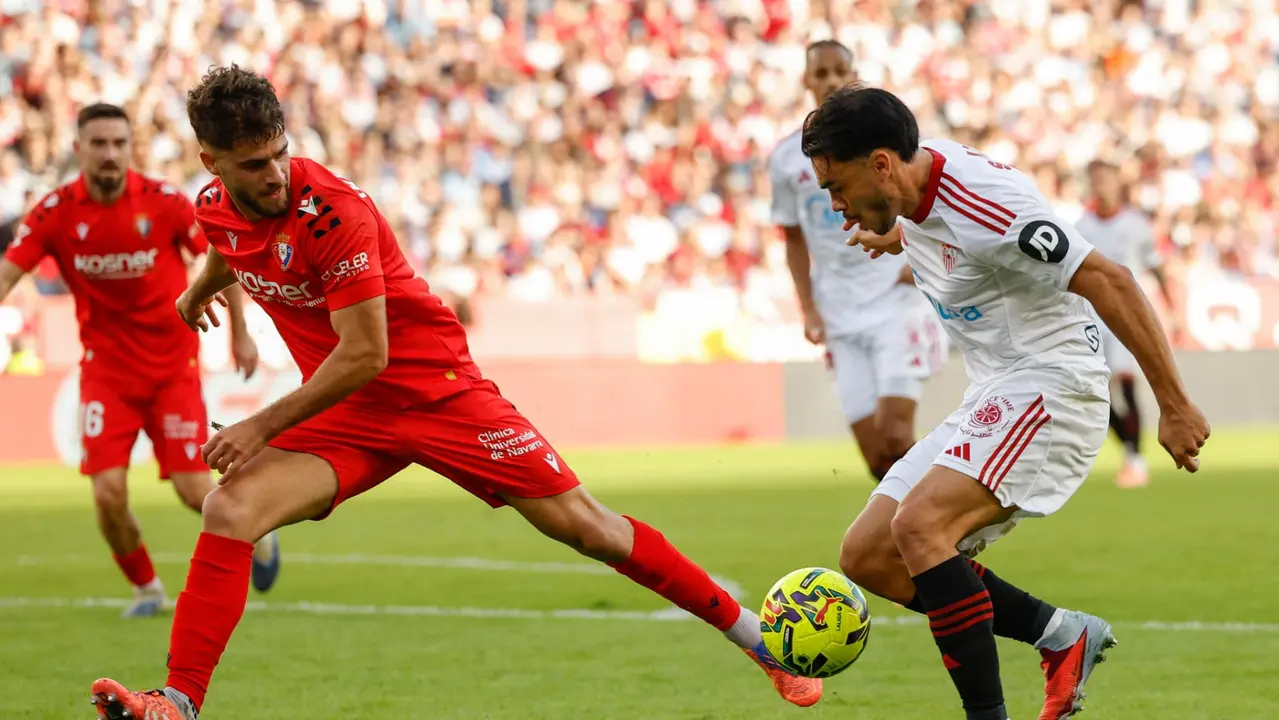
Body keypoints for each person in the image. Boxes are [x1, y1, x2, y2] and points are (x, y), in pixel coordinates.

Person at [88, 65, 821, 720]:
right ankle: (177, 703)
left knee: (586, 528)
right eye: (255, 165)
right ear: (211, 161)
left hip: (434, 394)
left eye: (281, 151)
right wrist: (198, 291)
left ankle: (752, 637)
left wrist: (257, 426)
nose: (276, 173)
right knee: (231, 507)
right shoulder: (215, 201)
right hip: (349, 414)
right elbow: (233, 242)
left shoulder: (331, 211)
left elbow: (366, 354)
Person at [800, 86, 1210, 720]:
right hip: (997, 388)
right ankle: (1062, 634)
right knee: (869, 555)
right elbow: (932, 217)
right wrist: (899, 234)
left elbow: (1110, 279)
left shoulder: (988, 208)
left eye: (837, 186)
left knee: (920, 527)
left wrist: (1173, 403)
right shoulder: (914, 182)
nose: (835, 206)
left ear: (880, 163)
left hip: (1055, 384)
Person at [0, 104, 281, 618]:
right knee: (107, 494)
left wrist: (241, 333)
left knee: (194, 490)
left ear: (130, 149)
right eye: (99, 144)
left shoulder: (164, 202)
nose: (110, 154)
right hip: (106, 373)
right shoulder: (54, 212)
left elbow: (224, 255)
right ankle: (148, 589)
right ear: (79, 148)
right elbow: (7, 275)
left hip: (172, 367)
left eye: (118, 144)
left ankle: (261, 530)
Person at [771, 40, 946, 485]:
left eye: (838, 71)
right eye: (821, 72)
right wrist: (808, 307)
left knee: (895, 434)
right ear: (806, 81)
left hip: (896, 299)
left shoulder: (883, 145)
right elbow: (792, 237)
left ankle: (940, 533)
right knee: (875, 456)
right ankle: (915, 545)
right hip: (838, 311)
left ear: (854, 74)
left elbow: (924, 198)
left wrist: (920, 256)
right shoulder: (786, 159)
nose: (830, 80)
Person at [1074, 159, 1176, 489]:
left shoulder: (1136, 224)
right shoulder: (1081, 226)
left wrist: (1171, 305)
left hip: (1127, 316)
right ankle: (1132, 455)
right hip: (1091, 318)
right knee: (1096, 395)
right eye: (1095, 178)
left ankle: (1135, 459)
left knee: (1128, 386)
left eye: (1105, 177)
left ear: (1118, 182)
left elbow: (1155, 264)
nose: (1100, 184)